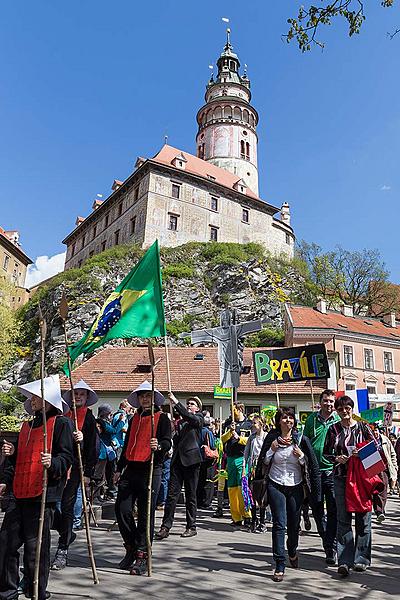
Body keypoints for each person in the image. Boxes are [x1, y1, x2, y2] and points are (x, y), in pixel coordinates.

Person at [0, 375, 74, 600]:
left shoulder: (61, 423)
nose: (32, 399)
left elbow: (66, 456)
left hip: (43, 494)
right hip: (18, 493)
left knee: (36, 550)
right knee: (5, 544)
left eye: (36, 396)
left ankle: (36, 591)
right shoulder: (26, 426)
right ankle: (7, 592)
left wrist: (53, 463)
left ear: (48, 399)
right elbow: (18, 460)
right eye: (32, 396)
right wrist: (6, 475)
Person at [256, 407, 321, 582]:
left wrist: (301, 457)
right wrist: (271, 450)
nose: (288, 421)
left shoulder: (301, 439)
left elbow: (311, 466)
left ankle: (292, 550)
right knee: (279, 524)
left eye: (291, 418)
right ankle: (279, 563)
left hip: (296, 486)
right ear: (279, 421)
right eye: (284, 418)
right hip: (276, 484)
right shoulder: (271, 438)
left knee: (293, 524)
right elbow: (263, 462)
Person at [114, 380, 171, 575]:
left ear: (154, 398)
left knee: (146, 514)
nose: (145, 399)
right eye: (142, 396)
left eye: (148, 396)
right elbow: (127, 444)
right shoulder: (134, 419)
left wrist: (160, 445)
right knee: (121, 509)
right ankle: (131, 546)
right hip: (131, 468)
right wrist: (118, 468)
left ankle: (141, 554)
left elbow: (167, 441)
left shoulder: (161, 418)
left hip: (151, 469)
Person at [323, 395, 375, 577]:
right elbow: (326, 454)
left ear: (352, 409)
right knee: (343, 519)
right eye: (340, 409)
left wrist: (361, 454)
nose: (344, 412)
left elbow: (375, 449)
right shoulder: (333, 429)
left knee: (363, 519)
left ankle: (361, 559)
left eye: (347, 408)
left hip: (361, 479)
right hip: (340, 478)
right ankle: (345, 560)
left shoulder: (363, 427)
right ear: (337, 411)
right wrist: (337, 458)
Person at [51, 379, 99, 570]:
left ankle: (62, 549)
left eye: (81, 394)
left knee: (68, 507)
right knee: (53, 507)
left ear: (87, 397)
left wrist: (88, 472)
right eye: (75, 393)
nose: (77, 396)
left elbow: (93, 448)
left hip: (76, 469)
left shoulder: (88, 417)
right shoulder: (60, 413)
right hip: (57, 467)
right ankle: (67, 532)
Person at [156, 394, 204, 540]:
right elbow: (176, 440)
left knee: (191, 495)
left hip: (192, 461)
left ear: (198, 408)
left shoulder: (199, 419)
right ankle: (165, 526)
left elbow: (190, 417)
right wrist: (173, 429)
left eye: (192, 404)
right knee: (172, 496)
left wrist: (176, 402)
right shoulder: (181, 422)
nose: (189, 405)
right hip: (177, 462)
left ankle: (191, 526)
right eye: (188, 403)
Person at [302, 389, 340, 564]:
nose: (329, 404)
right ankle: (327, 539)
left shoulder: (338, 420)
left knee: (333, 509)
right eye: (326, 401)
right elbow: (305, 442)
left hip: (333, 470)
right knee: (317, 508)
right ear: (320, 402)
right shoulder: (311, 420)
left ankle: (330, 547)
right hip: (314, 472)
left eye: (331, 401)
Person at [221, 403, 252, 527]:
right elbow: (222, 439)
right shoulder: (228, 423)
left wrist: (238, 438)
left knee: (242, 487)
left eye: (233, 410)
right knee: (232, 489)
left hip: (242, 458)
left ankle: (247, 514)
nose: (231, 413)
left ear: (240, 410)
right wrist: (230, 432)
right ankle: (236, 517)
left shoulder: (248, 424)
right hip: (230, 459)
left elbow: (251, 440)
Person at [243, 414, 268, 533]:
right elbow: (246, 453)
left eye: (255, 423)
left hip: (263, 468)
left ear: (261, 424)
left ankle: (262, 522)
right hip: (253, 468)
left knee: (262, 495)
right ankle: (253, 520)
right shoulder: (251, 438)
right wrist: (244, 467)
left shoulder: (266, 437)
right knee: (252, 494)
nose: (253, 425)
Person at [96, 404, 125, 499]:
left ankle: (107, 492)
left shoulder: (104, 422)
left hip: (106, 453)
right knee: (100, 475)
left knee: (108, 472)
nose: (111, 414)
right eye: (109, 413)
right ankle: (97, 495)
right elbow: (113, 431)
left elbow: (112, 429)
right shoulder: (101, 422)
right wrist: (121, 422)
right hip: (102, 452)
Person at [371, 423, 398, 522]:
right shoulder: (368, 440)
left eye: (376, 430)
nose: (375, 432)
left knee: (383, 490)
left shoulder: (385, 440)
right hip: (371, 469)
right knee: (373, 491)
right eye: (373, 431)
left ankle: (380, 511)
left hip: (384, 469)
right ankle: (377, 509)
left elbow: (392, 454)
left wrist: (394, 467)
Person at [197, 411, 217, 510]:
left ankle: (199, 500)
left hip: (199, 458)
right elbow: (213, 446)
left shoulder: (197, 430)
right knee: (208, 481)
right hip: (208, 459)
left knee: (199, 480)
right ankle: (206, 502)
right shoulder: (207, 431)